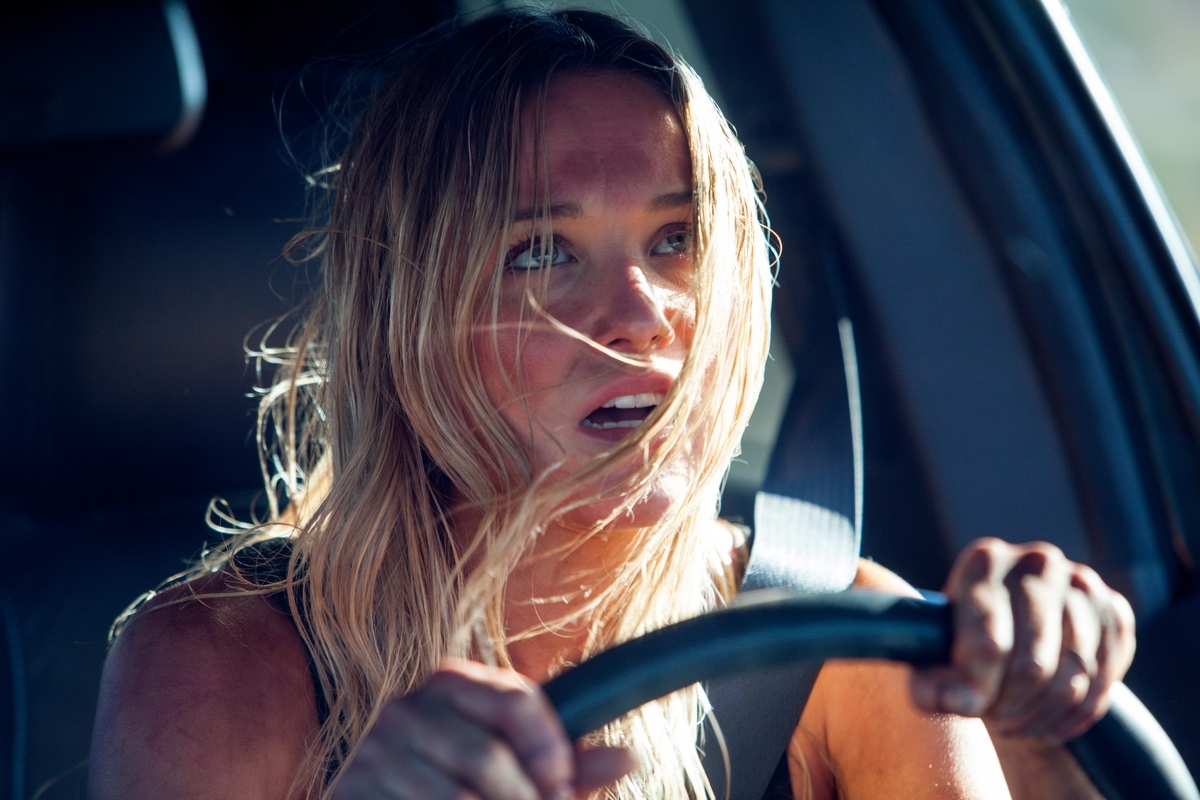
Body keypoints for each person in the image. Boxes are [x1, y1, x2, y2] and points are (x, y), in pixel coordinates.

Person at [87, 9, 1135, 800]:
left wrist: (1040, 729)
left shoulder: (844, 635)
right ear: (408, 312)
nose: (640, 316)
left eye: (677, 239)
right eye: (540, 252)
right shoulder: (218, 661)